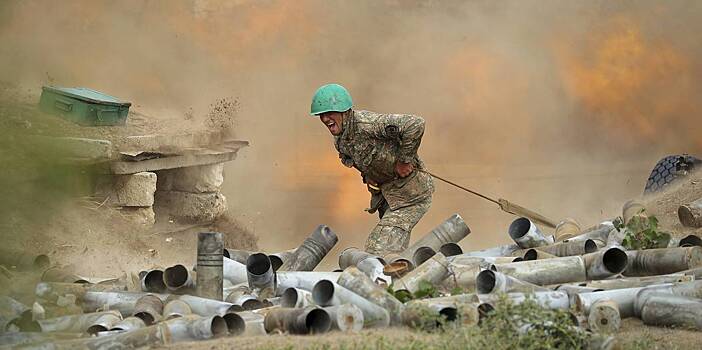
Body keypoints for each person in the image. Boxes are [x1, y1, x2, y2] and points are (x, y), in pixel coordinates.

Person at [310, 83, 434, 256]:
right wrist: (370, 177)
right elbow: (362, 160)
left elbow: (415, 124)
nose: (324, 119)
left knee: (379, 249)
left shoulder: (368, 124)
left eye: (329, 113)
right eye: (321, 115)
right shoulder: (341, 141)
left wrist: (404, 161)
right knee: (394, 252)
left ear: (345, 112)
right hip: (388, 198)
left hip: (410, 195)